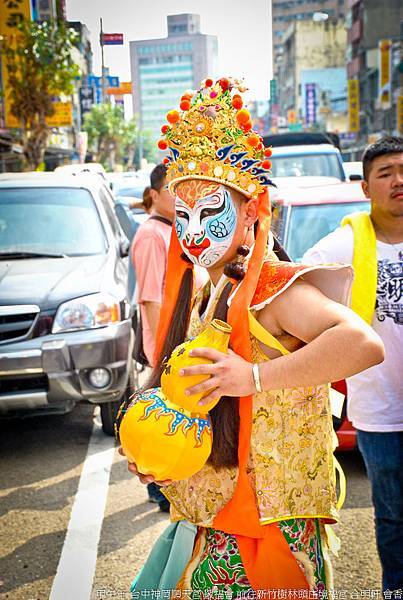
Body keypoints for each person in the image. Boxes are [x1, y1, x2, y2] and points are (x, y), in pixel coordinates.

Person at [120, 78, 384, 595]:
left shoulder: (273, 288)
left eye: (211, 214)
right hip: (212, 518)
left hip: (265, 527)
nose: (195, 233)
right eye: (186, 215)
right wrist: (159, 455)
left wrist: (254, 376)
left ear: (250, 214)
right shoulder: (203, 291)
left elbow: (362, 344)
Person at [302, 136, 403, 593]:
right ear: (365, 187)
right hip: (380, 411)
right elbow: (293, 285)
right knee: (394, 517)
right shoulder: (346, 245)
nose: (398, 180)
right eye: (386, 173)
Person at [130, 163, 175, 512]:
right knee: (162, 418)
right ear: (155, 195)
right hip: (164, 341)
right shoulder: (151, 234)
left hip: (173, 340)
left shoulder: (170, 229)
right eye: (172, 189)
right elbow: (150, 297)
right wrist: (164, 349)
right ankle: (158, 489)